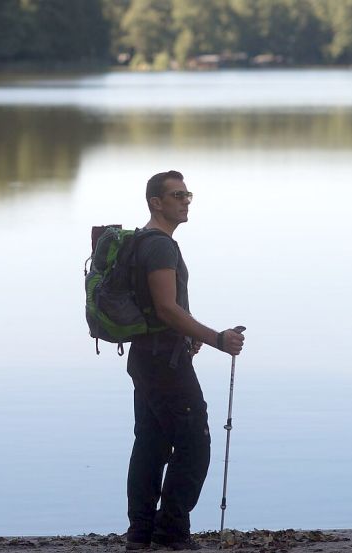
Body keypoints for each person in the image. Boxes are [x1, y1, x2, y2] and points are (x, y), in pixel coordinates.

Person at [125, 170, 245, 551]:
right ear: (155, 202)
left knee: (151, 444)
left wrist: (189, 332)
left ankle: (140, 535)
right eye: (177, 195)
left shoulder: (140, 242)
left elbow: (159, 309)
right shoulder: (160, 246)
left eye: (188, 194)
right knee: (195, 442)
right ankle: (171, 532)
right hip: (164, 362)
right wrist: (216, 339)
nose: (186, 200)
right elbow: (165, 308)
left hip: (146, 356)